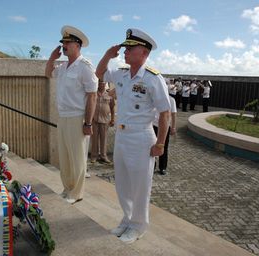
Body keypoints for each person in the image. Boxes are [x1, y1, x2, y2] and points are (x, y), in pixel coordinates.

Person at [96, 28, 171, 244]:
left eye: (131, 48)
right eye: (126, 48)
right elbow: (98, 74)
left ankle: (138, 226)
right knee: (123, 183)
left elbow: (165, 113)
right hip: (121, 136)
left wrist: (161, 143)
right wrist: (107, 56)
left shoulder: (154, 79)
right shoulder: (120, 73)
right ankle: (127, 219)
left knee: (140, 185)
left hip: (141, 137)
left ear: (144, 53)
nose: (126, 51)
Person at [45, 25, 97, 204]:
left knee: (77, 156)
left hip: (77, 116)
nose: (64, 45)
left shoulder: (85, 66)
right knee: (65, 155)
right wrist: (52, 58)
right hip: (63, 116)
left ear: (77, 45)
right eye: (63, 42)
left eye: (68, 42)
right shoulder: (64, 66)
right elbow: (48, 74)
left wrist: (88, 123)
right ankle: (67, 188)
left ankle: (77, 192)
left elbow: (92, 96)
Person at [90, 80, 115, 164]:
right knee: (94, 139)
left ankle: (103, 156)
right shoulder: (94, 93)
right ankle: (94, 156)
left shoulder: (109, 94)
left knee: (104, 139)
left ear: (105, 84)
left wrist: (112, 119)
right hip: (94, 119)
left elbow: (112, 107)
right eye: (100, 83)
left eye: (103, 83)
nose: (101, 85)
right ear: (98, 84)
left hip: (105, 120)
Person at [153, 95, 177, 175]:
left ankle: (162, 167)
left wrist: (173, 127)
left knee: (163, 146)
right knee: (152, 145)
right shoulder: (154, 97)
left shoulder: (171, 100)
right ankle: (152, 165)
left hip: (165, 127)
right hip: (153, 125)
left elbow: (173, 114)